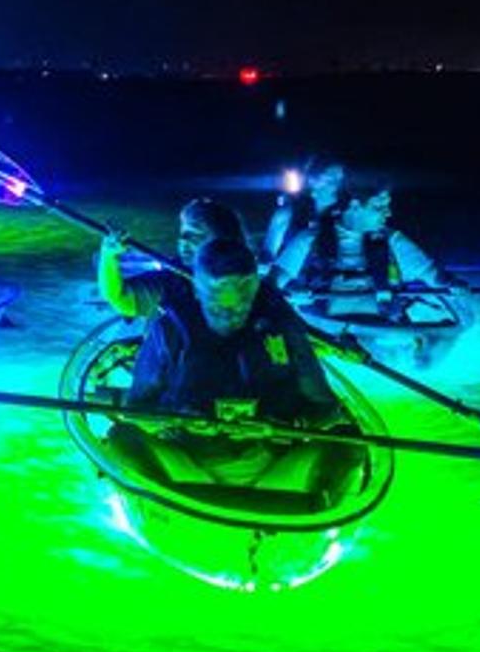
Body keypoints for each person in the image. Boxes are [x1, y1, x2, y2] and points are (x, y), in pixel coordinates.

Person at [107, 238, 356, 498]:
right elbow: (136, 411)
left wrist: (282, 424)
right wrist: (181, 417)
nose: (229, 313)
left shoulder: (282, 328)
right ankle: (166, 501)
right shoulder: (169, 330)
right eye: (217, 303)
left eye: (241, 303)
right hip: (186, 462)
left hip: (273, 463)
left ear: (254, 289)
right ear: (197, 290)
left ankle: (313, 510)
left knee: (349, 440)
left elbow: (327, 410)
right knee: (121, 437)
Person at [272, 177, 471, 336]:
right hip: (327, 326)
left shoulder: (393, 240)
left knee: (459, 322)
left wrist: (453, 283)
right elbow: (272, 283)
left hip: (383, 326)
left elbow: (435, 277)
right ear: (355, 205)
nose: (388, 213)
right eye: (379, 206)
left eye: (388, 205)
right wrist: (292, 288)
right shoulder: (309, 240)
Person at [98, 197, 247, 318]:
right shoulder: (173, 280)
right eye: (183, 234)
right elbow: (119, 297)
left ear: (223, 242)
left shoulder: (247, 285)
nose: (182, 241)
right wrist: (109, 255)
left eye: (194, 235)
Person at [263, 155, 346, 263]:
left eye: (338, 179)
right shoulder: (294, 207)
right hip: (297, 266)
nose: (334, 184)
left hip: (334, 264)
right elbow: (271, 247)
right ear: (313, 180)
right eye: (329, 178)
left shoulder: (344, 207)